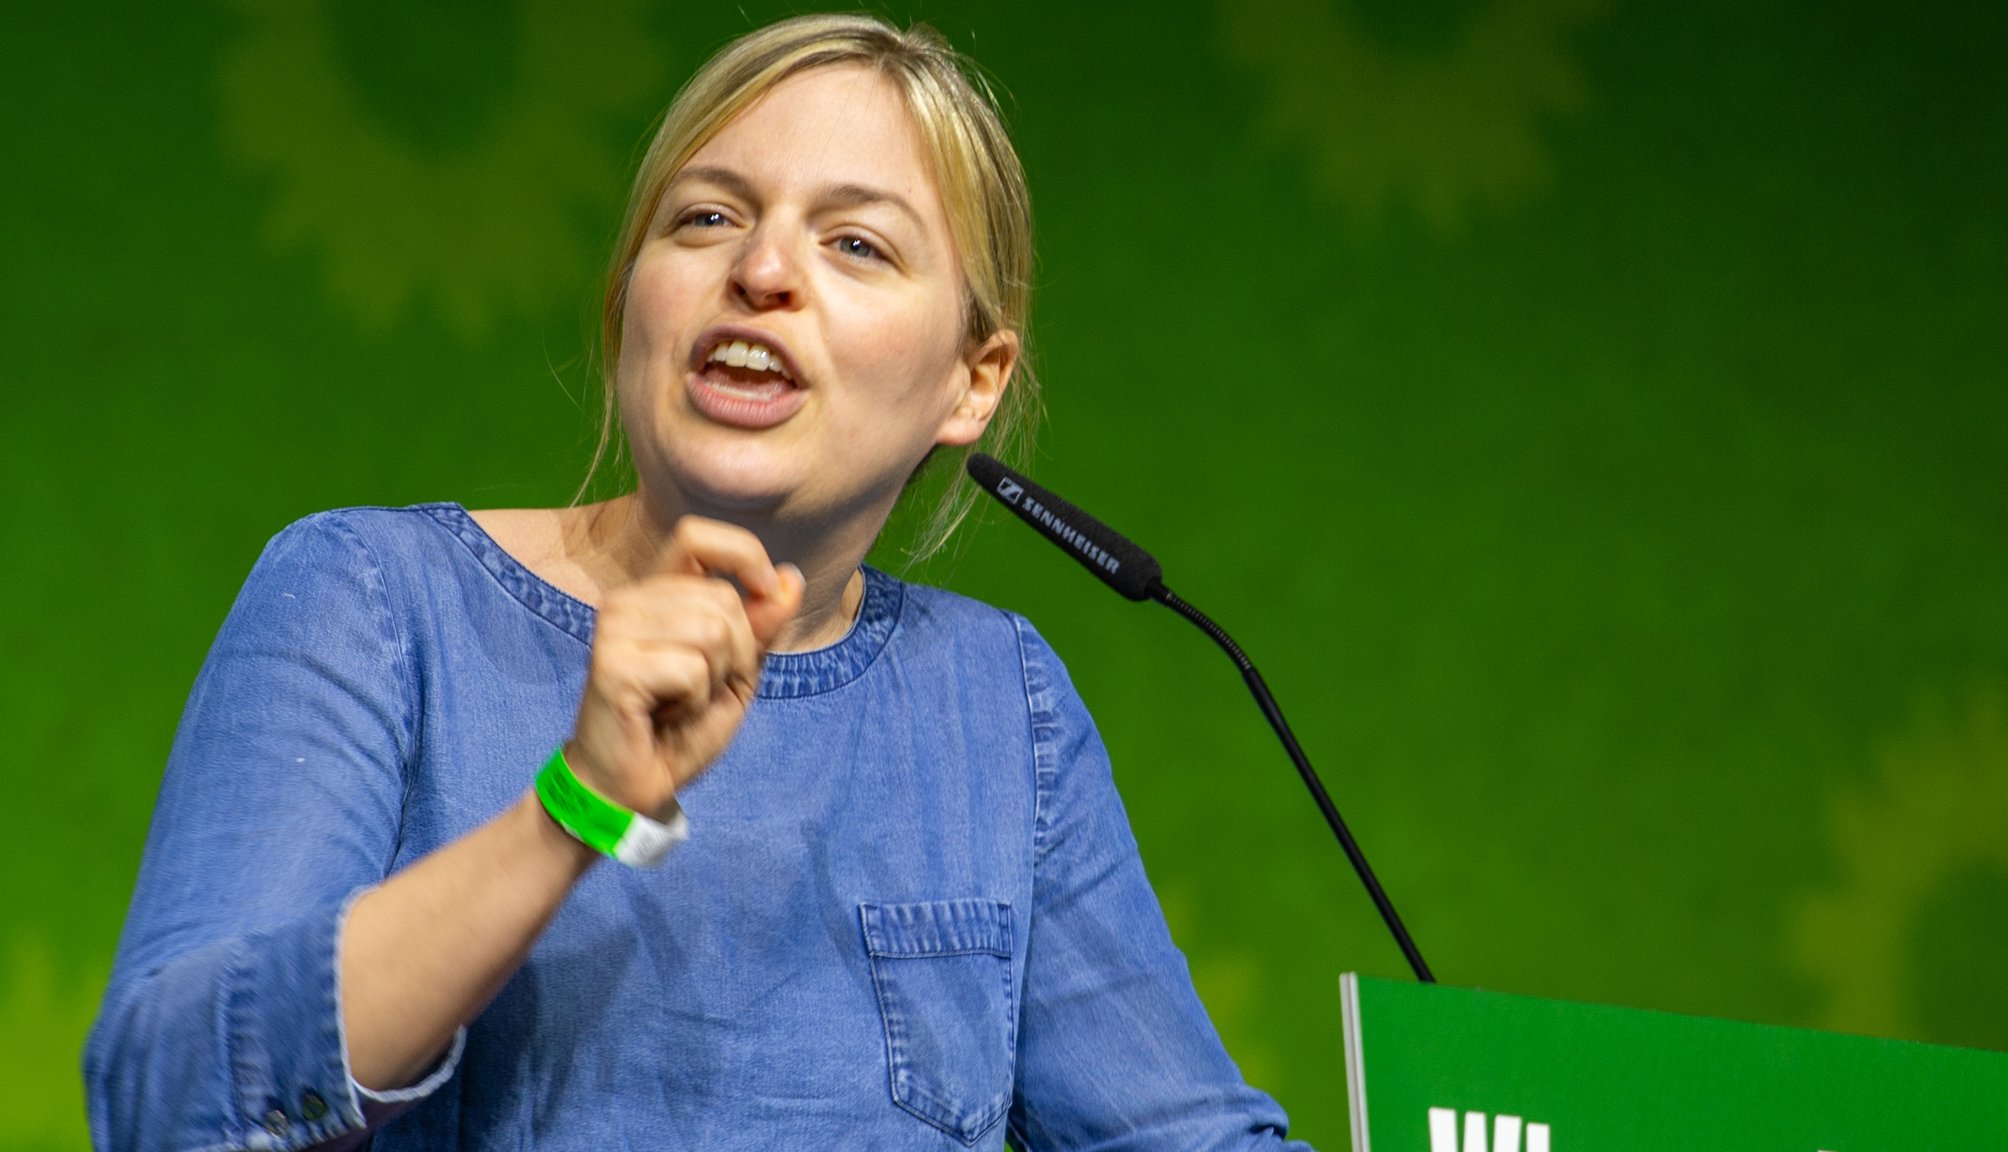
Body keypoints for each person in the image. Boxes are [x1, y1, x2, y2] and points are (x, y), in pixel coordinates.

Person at [86, 14, 1311, 1151]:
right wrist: (579, 808)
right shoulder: (370, 597)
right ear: (631, 302)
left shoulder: (996, 705)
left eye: (855, 243)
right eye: (706, 220)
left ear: (970, 380)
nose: (763, 267)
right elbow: (165, 1099)